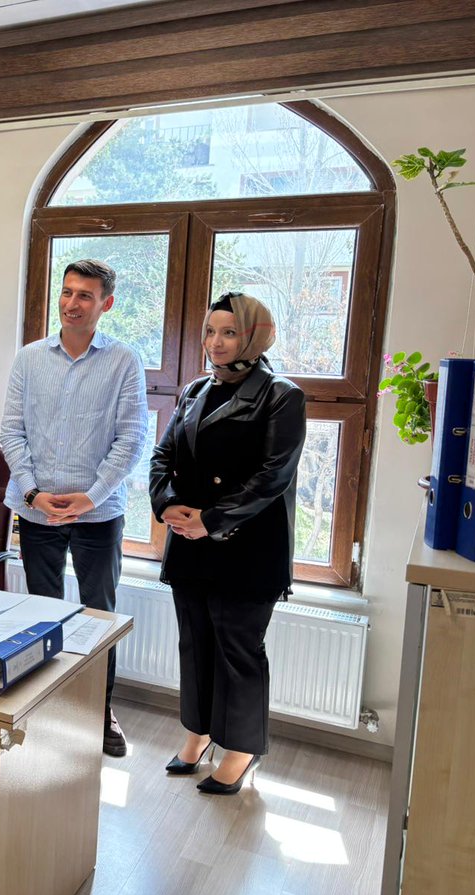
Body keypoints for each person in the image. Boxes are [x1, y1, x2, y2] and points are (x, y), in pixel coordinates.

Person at [148, 291, 306, 795]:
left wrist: (211, 519)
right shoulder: (196, 389)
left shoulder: (281, 395)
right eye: (211, 332)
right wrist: (166, 504)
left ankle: (240, 748)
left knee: (238, 650)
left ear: (255, 337)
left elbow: (273, 476)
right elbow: (162, 455)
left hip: (248, 548)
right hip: (190, 542)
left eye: (229, 333)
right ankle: (197, 734)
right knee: (194, 643)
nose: (216, 343)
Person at [0, 258, 148, 756]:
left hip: (98, 514)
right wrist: (32, 493)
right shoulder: (29, 359)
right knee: (41, 612)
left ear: (106, 304)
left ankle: (99, 712)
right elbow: (11, 432)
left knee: (99, 615)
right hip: (37, 510)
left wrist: (92, 496)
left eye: (85, 295)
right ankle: (46, 707)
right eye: (66, 292)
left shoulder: (123, 361)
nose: (72, 303)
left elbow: (131, 438)